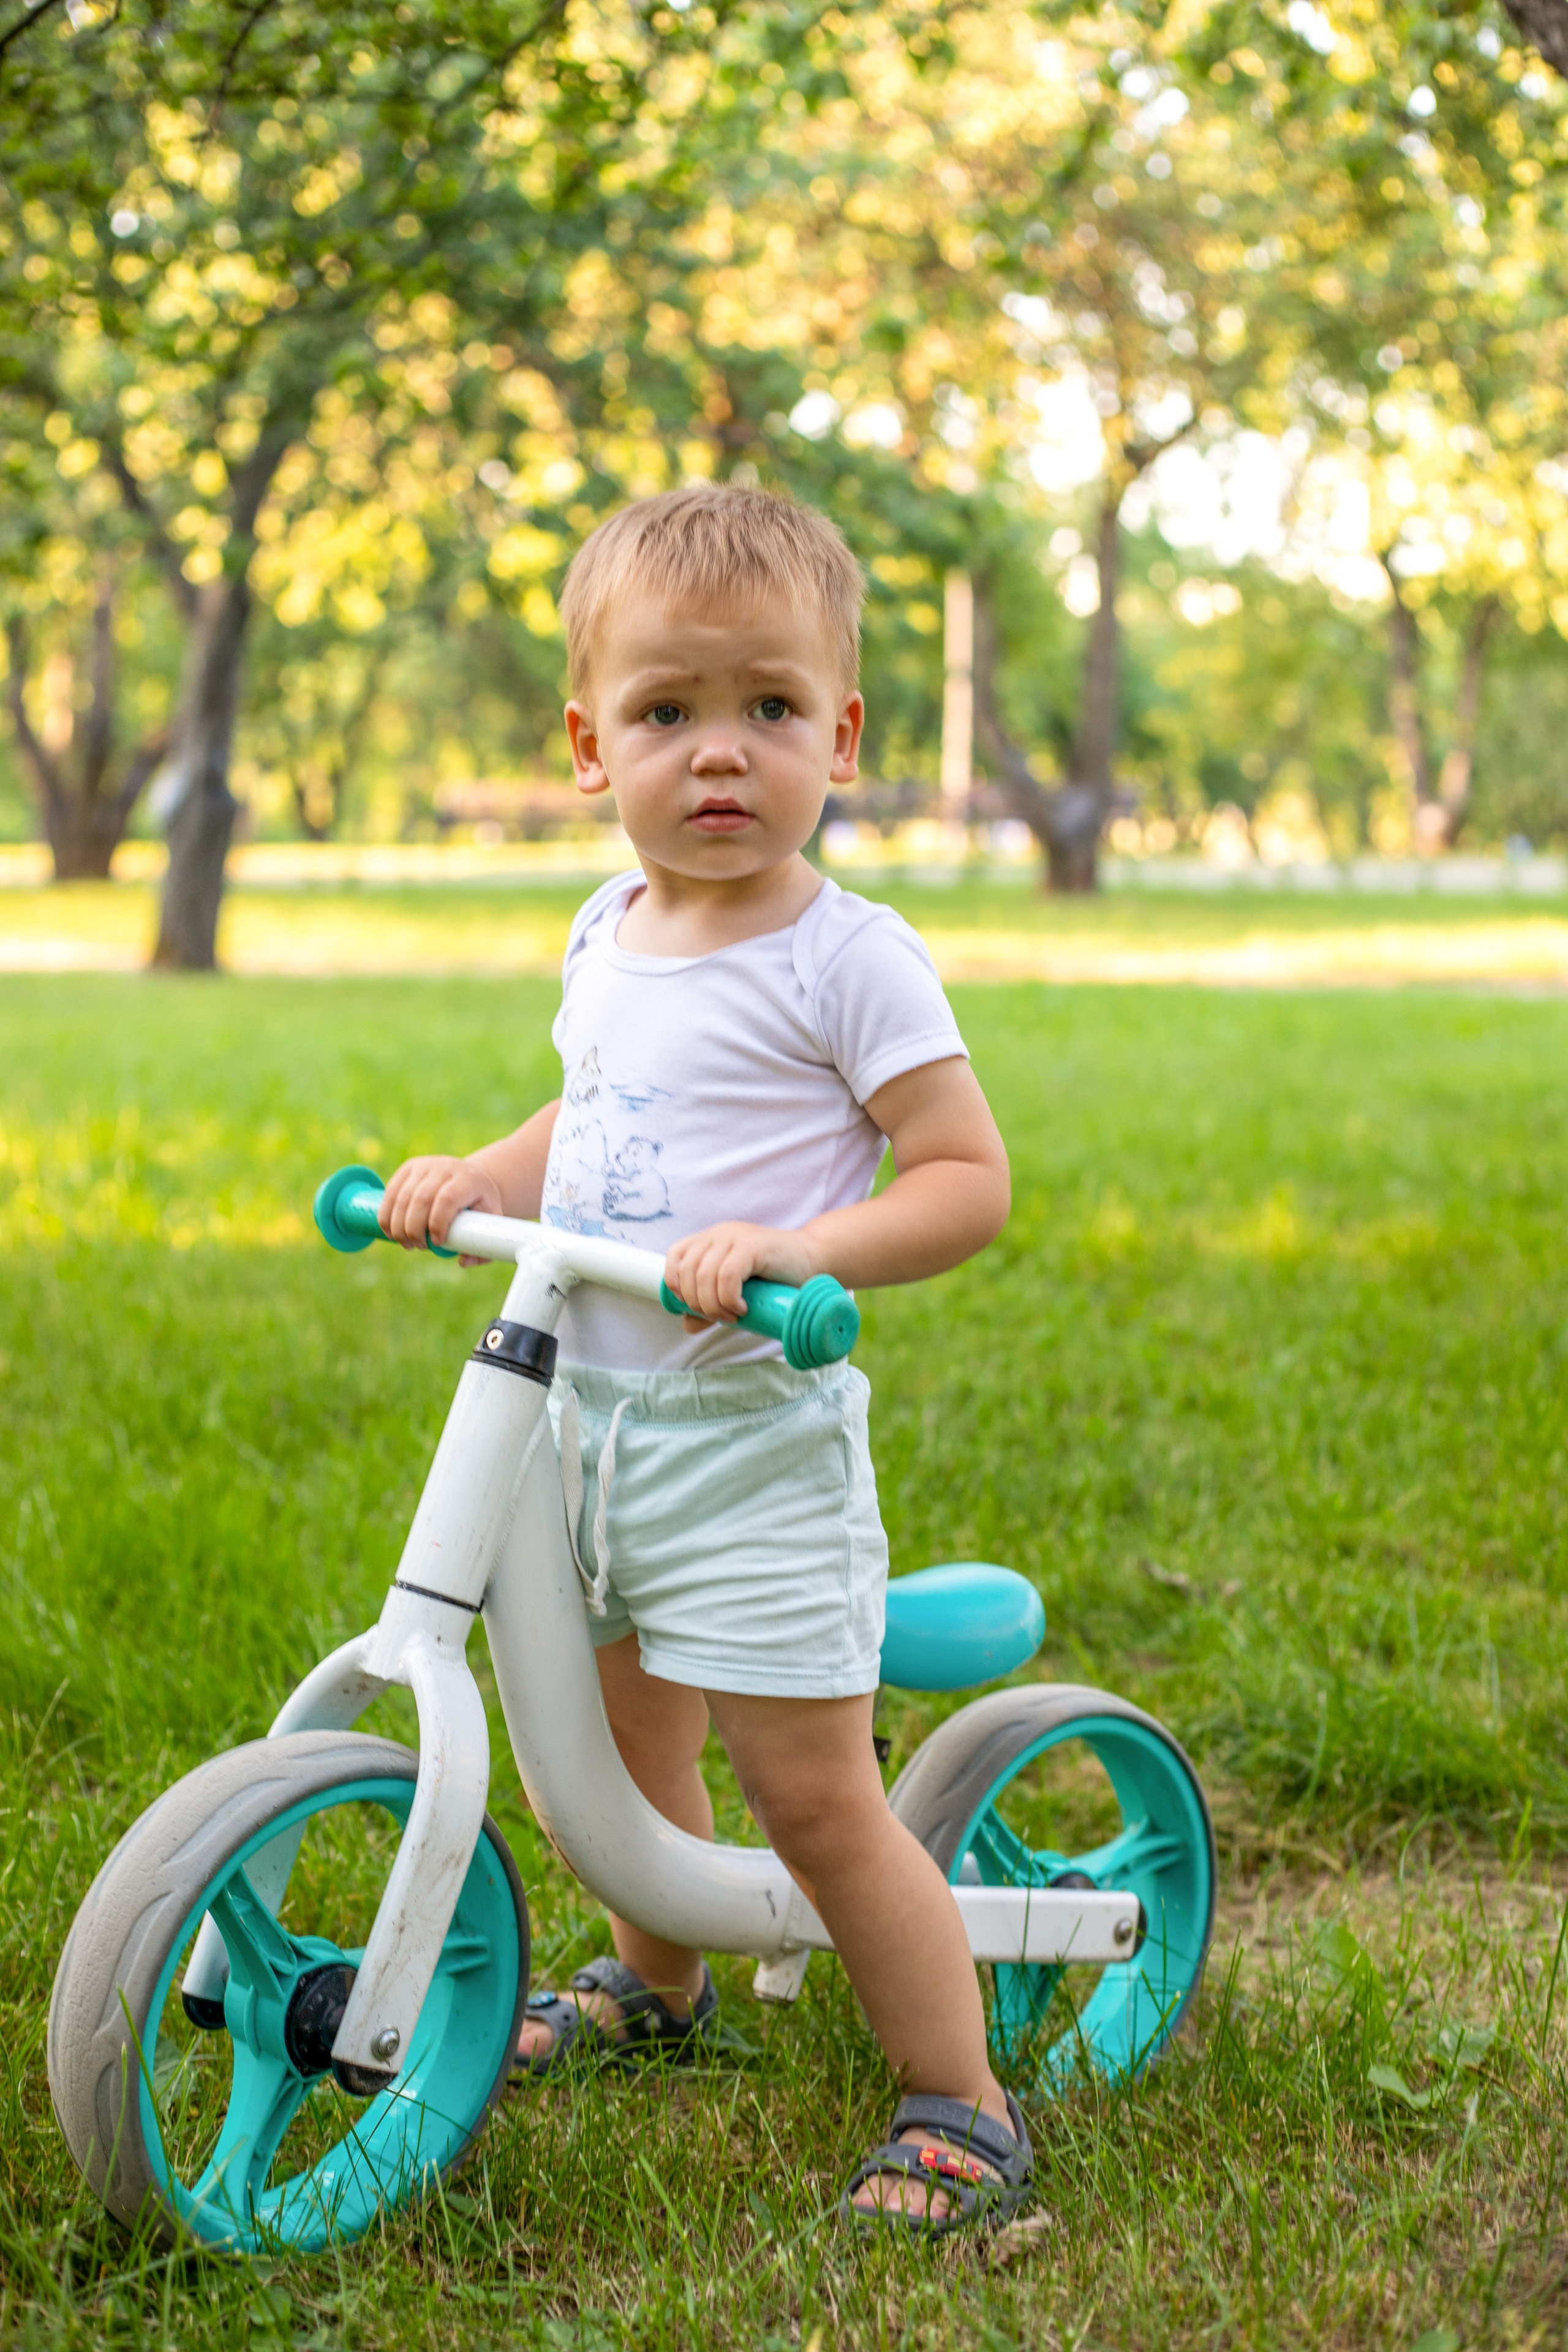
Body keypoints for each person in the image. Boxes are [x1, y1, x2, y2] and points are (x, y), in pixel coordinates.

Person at [378, 483, 1030, 2235]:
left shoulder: (849, 957)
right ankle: (654, 1980)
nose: (720, 755)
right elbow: (589, 1118)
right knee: (610, 1746)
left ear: (845, 733)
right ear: (592, 743)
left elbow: (965, 1180)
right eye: (670, 714)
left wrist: (801, 1248)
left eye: (770, 710)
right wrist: (477, 1182)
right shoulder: (606, 930)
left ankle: (960, 2106)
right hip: (582, 1420)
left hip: (747, 1431)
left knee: (813, 1801)